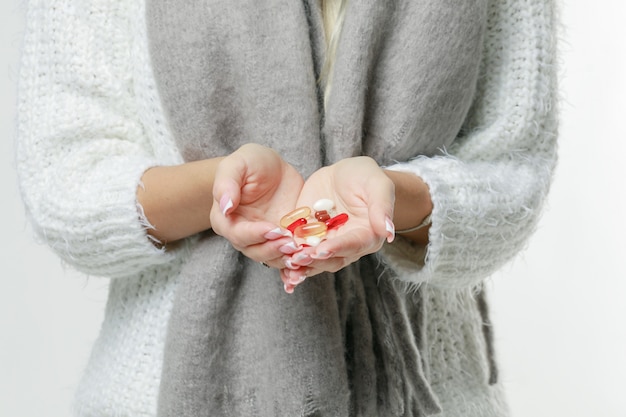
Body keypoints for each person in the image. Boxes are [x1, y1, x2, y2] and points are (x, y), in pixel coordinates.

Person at [16, 0, 558, 416]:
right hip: (155, 391)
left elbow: (514, 169)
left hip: (430, 391)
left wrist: (390, 196)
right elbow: (65, 180)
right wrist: (219, 191)